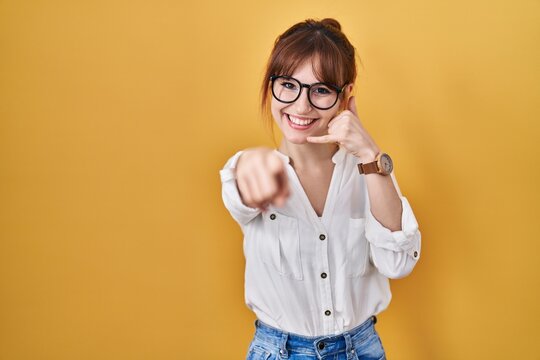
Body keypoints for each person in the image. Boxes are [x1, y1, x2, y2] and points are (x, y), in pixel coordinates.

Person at [220, 18, 421, 360]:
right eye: (288, 84)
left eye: (321, 90)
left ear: (345, 96)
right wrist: (245, 172)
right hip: (278, 351)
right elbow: (239, 194)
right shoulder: (253, 169)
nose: (301, 106)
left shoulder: (369, 171)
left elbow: (398, 262)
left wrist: (371, 156)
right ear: (271, 86)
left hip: (361, 350)